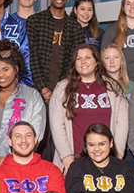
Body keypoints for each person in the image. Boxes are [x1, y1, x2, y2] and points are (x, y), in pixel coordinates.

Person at [50, 44, 127, 173]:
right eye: (79, 58)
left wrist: (117, 154)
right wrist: (66, 156)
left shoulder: (113, 88)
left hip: (106, 159)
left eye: (87, 57)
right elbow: (57, 125)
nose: (83, 62)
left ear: (97, 62)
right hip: (73, 161)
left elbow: (122, 123)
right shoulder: (62, 89)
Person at [0, 40, 45, 168]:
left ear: (16, 69)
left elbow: (36, 133)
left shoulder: (32, 97)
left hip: (20, 165)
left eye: (5, 69)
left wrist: (10, 158)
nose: (1, 75)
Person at [27, 0, 84, 105]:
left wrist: (61, 88)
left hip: (64, 91)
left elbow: (74, 61)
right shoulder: (35, 21)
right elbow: (32, 57)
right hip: (37, 90)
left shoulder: (75, 26)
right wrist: (43, 89)